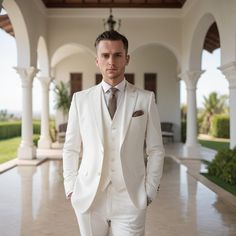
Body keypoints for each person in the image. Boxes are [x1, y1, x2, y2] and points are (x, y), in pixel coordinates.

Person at [63, 30, 165, 236]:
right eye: (105, 55)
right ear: (97, 60)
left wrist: (149, 191)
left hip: (131, 198)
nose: (111, 61)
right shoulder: (80, 100)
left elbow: (156, 150)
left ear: (127, 59)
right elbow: (71, 148)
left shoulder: (145, 99)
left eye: (118, 55)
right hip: (88, 197)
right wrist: (71, 187)